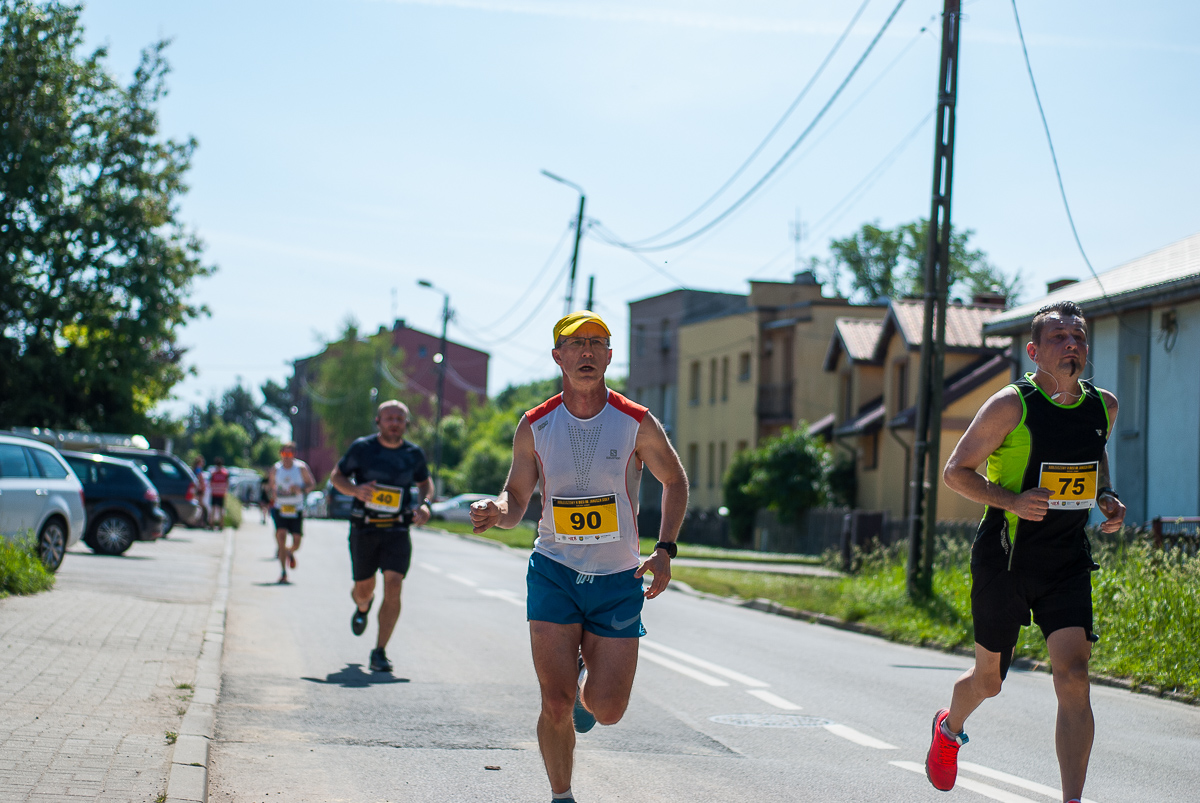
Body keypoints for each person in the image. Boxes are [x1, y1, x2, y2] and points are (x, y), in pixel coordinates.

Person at [469, 311, 688, 803]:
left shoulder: (635, 421)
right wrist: (495, 509)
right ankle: (561, 795)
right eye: (576, 344)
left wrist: (665, 550)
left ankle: (590, 684)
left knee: (607, 710)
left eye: (597, 343)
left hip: (617, 576)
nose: (586, 352)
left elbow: (674, 480)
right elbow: (517, 499)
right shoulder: (535, 425)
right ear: (558, 356)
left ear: (610, 356)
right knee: (555, 700)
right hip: (554, 571)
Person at [927, 301, 1125, 803]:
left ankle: (1072, 799)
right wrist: (1011, 500)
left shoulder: (1104, 405)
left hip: (1066, 560)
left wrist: (1105, 497)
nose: (1073, 345)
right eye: (1059, 337)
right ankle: (949, 729)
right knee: (989, 682)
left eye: (1079, 336)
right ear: (1035, 351)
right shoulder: (1010, 405)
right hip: (1006, 558)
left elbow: (1094, 453)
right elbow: (956, 471)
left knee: (1075, 676)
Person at [329, 400, 434, 673]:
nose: (394, 422)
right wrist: (355, 491)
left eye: (400, 418)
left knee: (394, 582)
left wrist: (425, 504)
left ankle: (379, 651)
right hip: (364, 529)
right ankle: (363, 607)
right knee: (363, 590)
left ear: (406, 424)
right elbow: (337, 476)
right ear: (378, 421)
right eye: (389, 418)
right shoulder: (362, 449)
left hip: (397, 529)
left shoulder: (413, 454)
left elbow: (425, 482)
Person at [268, 442, 316, 584]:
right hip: (280, 508)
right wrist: (274, 492)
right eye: (284, 454)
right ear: (280, 454)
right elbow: (271, 487)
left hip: (296, 508)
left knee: (297, 542)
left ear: (294, 455)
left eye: (289, 454)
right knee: (281, 538)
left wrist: (300, 489)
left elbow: (311, 485)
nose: (286, 457)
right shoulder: (276, 469)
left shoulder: (301, 468)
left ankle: (290, 552)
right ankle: (283, 572)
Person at [209, 458, 230, 530]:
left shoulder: (213, 473)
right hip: (221, 493)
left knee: (213, 509)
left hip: (214, 493)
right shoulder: (225, 473)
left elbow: (210, 483)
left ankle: (212, 524)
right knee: (221, 509)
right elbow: (227, 483)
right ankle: (221, 525)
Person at [192, 456, 209, 529]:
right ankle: (200, 522)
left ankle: (197, 521)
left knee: (199, 506)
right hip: (199, 490)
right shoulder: (198, 469)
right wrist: (203, 487)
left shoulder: (195, 469)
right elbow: (200, 479)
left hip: (197, 490)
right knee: (200, 506)